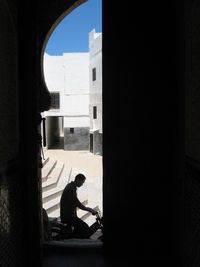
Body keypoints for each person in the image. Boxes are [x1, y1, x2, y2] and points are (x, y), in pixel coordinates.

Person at [60, 173, 99, 239]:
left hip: (70, 215)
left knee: (79, 229)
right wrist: (89, 209)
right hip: (68, 216)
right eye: (82, 182)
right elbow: (77, 203)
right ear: (78, 180)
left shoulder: (72, 187)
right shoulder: (70, 189)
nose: (82, 184)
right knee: (85, 227)